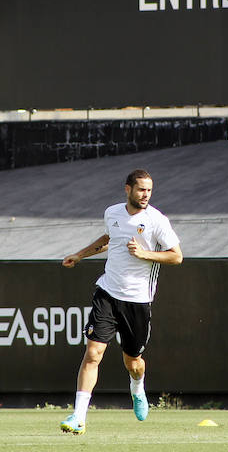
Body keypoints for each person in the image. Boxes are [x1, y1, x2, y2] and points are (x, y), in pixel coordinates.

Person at [59, 169, 183, 435]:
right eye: (141, 190)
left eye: (149, 190)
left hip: (138, 301)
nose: (145, 195)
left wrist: (145, 254)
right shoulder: (112, 212)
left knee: (133, 363)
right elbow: (108, 239)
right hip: (107, 293)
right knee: (93, 353)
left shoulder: (157, 220)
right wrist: (80, 255)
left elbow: (176, 257)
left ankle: (137, 388)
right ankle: (78, 416)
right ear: (127, 189)